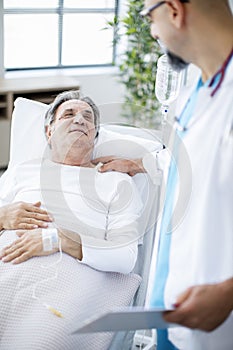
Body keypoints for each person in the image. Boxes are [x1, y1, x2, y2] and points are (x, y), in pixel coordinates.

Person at [93, 1, 233, 349]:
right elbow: (195, 165)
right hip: (172, 314)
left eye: (148, 17)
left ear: (174, 10)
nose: (152, 33)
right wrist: (144, 162)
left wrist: (229, 295)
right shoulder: (195, 92)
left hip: (215, 324)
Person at [0, 90, 142, 349]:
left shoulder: (115, 181)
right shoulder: (23, 172)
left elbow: (125, 256)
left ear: (95, 135)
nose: (80, 120)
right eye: (69, 114)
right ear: (49, 132)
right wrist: (1, 217)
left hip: (66, 278)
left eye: (88, 118)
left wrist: (59, 239)